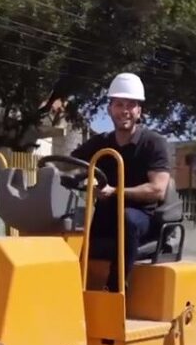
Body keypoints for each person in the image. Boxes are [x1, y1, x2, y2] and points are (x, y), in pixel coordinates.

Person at [71, 72, 170, 291]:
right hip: (106, 214)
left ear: (139, 111)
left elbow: (158, 189)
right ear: (110, 109)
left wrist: (115, 191)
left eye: (131, 105)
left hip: (142, 216)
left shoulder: (153, 143)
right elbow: (70, 163)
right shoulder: (100, 143)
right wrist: (52, 171)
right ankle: (71, 288)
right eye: (119, 104)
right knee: (69, 224)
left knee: (127, 220)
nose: (124, 110)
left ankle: (115, 289)